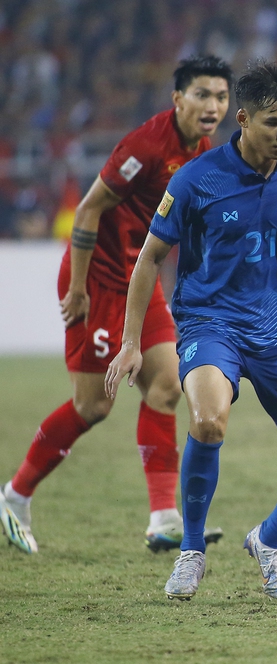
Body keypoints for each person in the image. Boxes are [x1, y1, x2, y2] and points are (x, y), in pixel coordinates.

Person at [105, 62, 277, 601]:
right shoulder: (197, 179)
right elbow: (150, 258)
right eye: (273, 122)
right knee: (207, 419)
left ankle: (268, 541)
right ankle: (192, 551)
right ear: (242, 119)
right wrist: (132, 342)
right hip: (209, 320)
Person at [0, 56, 233, 555]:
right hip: (100, 281)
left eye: (220, 96)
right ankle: (14, 495)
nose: (212, 105)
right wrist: (79, 287)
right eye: (202, 95)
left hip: (139, 282)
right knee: (94, 405)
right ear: (178, 100)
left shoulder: (202, 151)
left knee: (168, 384)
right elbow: (88, 208)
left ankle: (163, 517)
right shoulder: (146, 146)